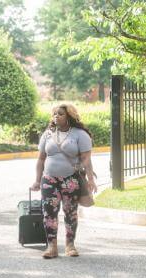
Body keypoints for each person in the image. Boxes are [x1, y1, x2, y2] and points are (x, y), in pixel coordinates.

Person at [30, 103, 97, 259]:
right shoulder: (47, 134)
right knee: (49, 213)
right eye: (54, 114)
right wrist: (37, 181)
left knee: (70, 213)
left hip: (70, 179)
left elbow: (86, 159)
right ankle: (52, 247)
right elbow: (41, 159)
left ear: (69, 116)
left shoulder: (80, 135)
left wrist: (91, 179)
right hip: (49, 179)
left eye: (60, 114)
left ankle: (70, 245)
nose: (56, 116)